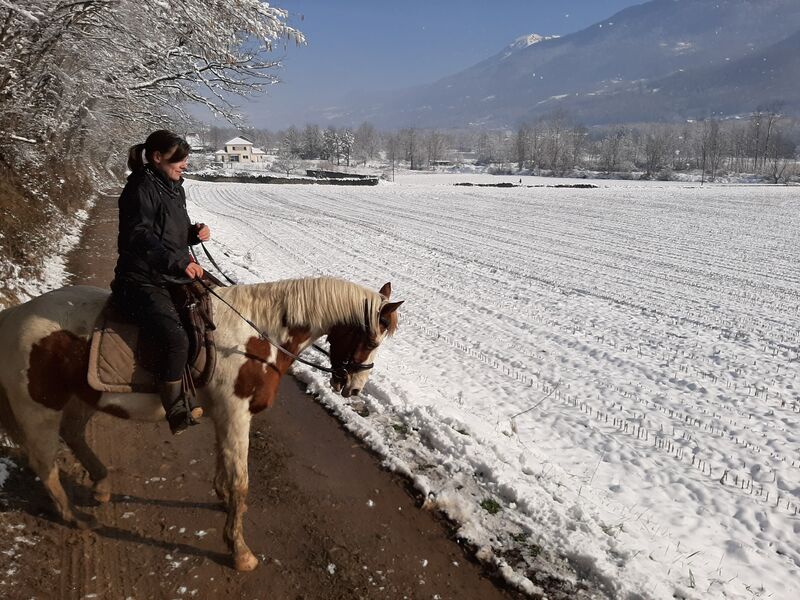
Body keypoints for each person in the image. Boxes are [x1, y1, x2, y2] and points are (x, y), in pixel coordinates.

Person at [111, 129, 210, 434]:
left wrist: (194, 233)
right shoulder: (140, 187)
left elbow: (168, 231)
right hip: (140, 279)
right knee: (176, 337)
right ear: (157, 157)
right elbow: (139, 236)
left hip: (168, 274)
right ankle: (175, 408)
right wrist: (179, 263)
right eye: (179, 161)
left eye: (185, 160)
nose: (185, 166)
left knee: (209, 312)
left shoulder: (172, 186)